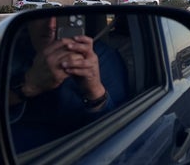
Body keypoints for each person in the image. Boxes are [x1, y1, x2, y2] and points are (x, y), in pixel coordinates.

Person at [9, 15, 128, 153]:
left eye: (62, 17)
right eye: (42, 15)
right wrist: (29, 85)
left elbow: (119, 136)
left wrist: (94, 90)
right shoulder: (10, 52)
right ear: (29, 22)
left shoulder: (102, 58)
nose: (51, 25)